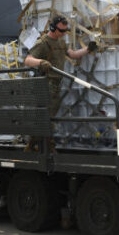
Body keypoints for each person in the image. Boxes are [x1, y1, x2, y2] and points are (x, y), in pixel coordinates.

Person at [23, 16, 97, 150]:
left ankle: (35, 144)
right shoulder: (43, 43)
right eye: (61, 31)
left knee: (49, 116)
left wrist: (87, 49)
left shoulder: (61, 43)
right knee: (46, 116)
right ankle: (45, 146)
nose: (64, 34)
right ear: (53, 28)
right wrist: (40, 62)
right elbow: (28, 59)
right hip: (45, 84)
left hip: (56, 84)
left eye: (65, 31)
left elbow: (73, 54)